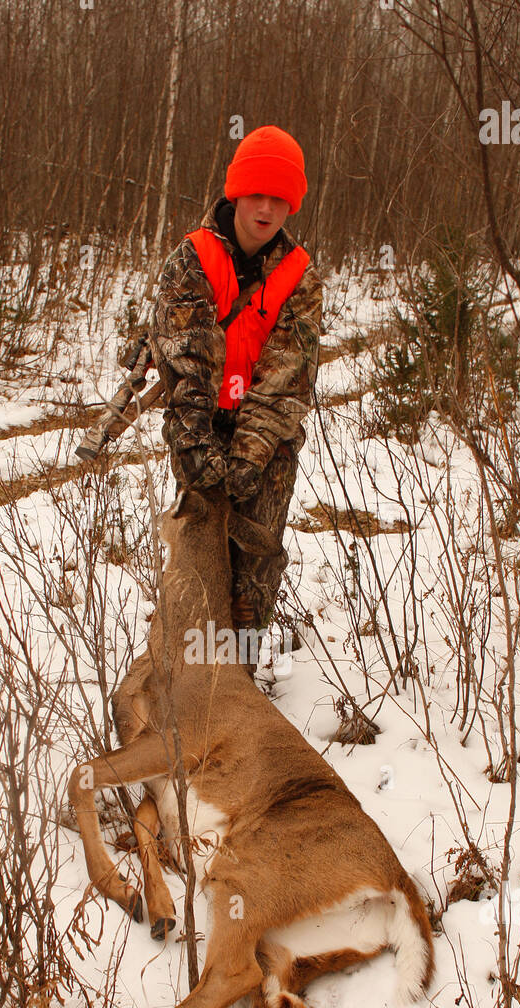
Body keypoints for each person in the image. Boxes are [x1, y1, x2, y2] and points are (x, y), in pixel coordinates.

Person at [149, 125, 323, 638]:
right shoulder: (192, 258)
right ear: (237, 193)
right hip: (201, 430)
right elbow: (187, 366)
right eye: (256, 195)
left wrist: (248, 459)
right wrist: (198, 451)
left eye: (279, 199)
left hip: (266, 441)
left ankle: (240, 677)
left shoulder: (300, 275)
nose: (265, 210)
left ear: (291, 205)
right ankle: (191, 678)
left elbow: (286, 379)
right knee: (199, 569)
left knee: (254, 572)